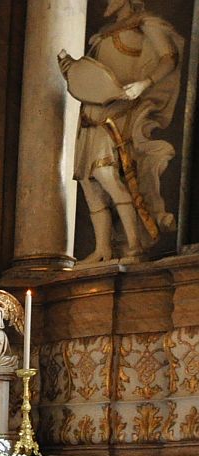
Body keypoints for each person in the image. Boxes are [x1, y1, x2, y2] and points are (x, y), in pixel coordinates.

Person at [57, 0, 184, 263]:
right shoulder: (105, 32)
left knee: (106, 174)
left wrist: (143, 84)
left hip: (119, 111)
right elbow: (91, 76)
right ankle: (103, 248)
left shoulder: (146, 23)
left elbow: (168, 58)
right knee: (89, 181)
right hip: (91, 112)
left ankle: (135, 246)